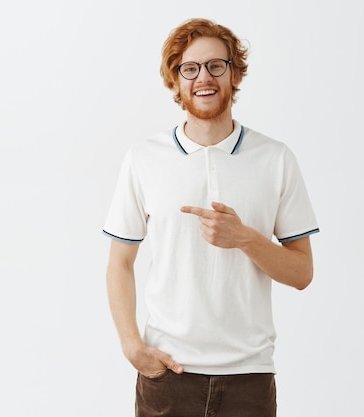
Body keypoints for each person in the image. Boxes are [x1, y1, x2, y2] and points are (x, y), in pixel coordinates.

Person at [102, 18, 319, 417]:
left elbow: (302, 272)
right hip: (167, 376)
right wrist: (133, 346)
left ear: (234, 74)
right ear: (176, 81)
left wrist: (246, 238)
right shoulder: (143, 159)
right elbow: (120, 261)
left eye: (216, 65)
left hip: (249, 380)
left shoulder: (275, 159)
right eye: (190, 68)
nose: (204, 77)